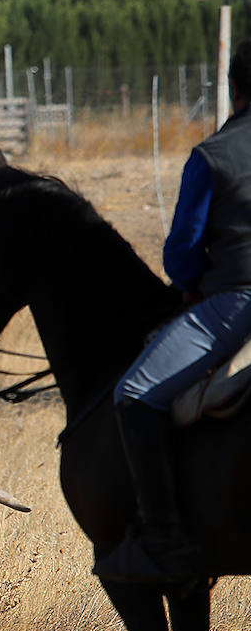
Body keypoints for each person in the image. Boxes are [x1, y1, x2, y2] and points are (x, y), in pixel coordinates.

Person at [97, 39, 251, 583]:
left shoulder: (214, 155)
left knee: (134, 393)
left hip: (236, 302)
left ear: (234, 89)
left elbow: (182, 253)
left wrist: (191, 285)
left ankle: (164, 540)